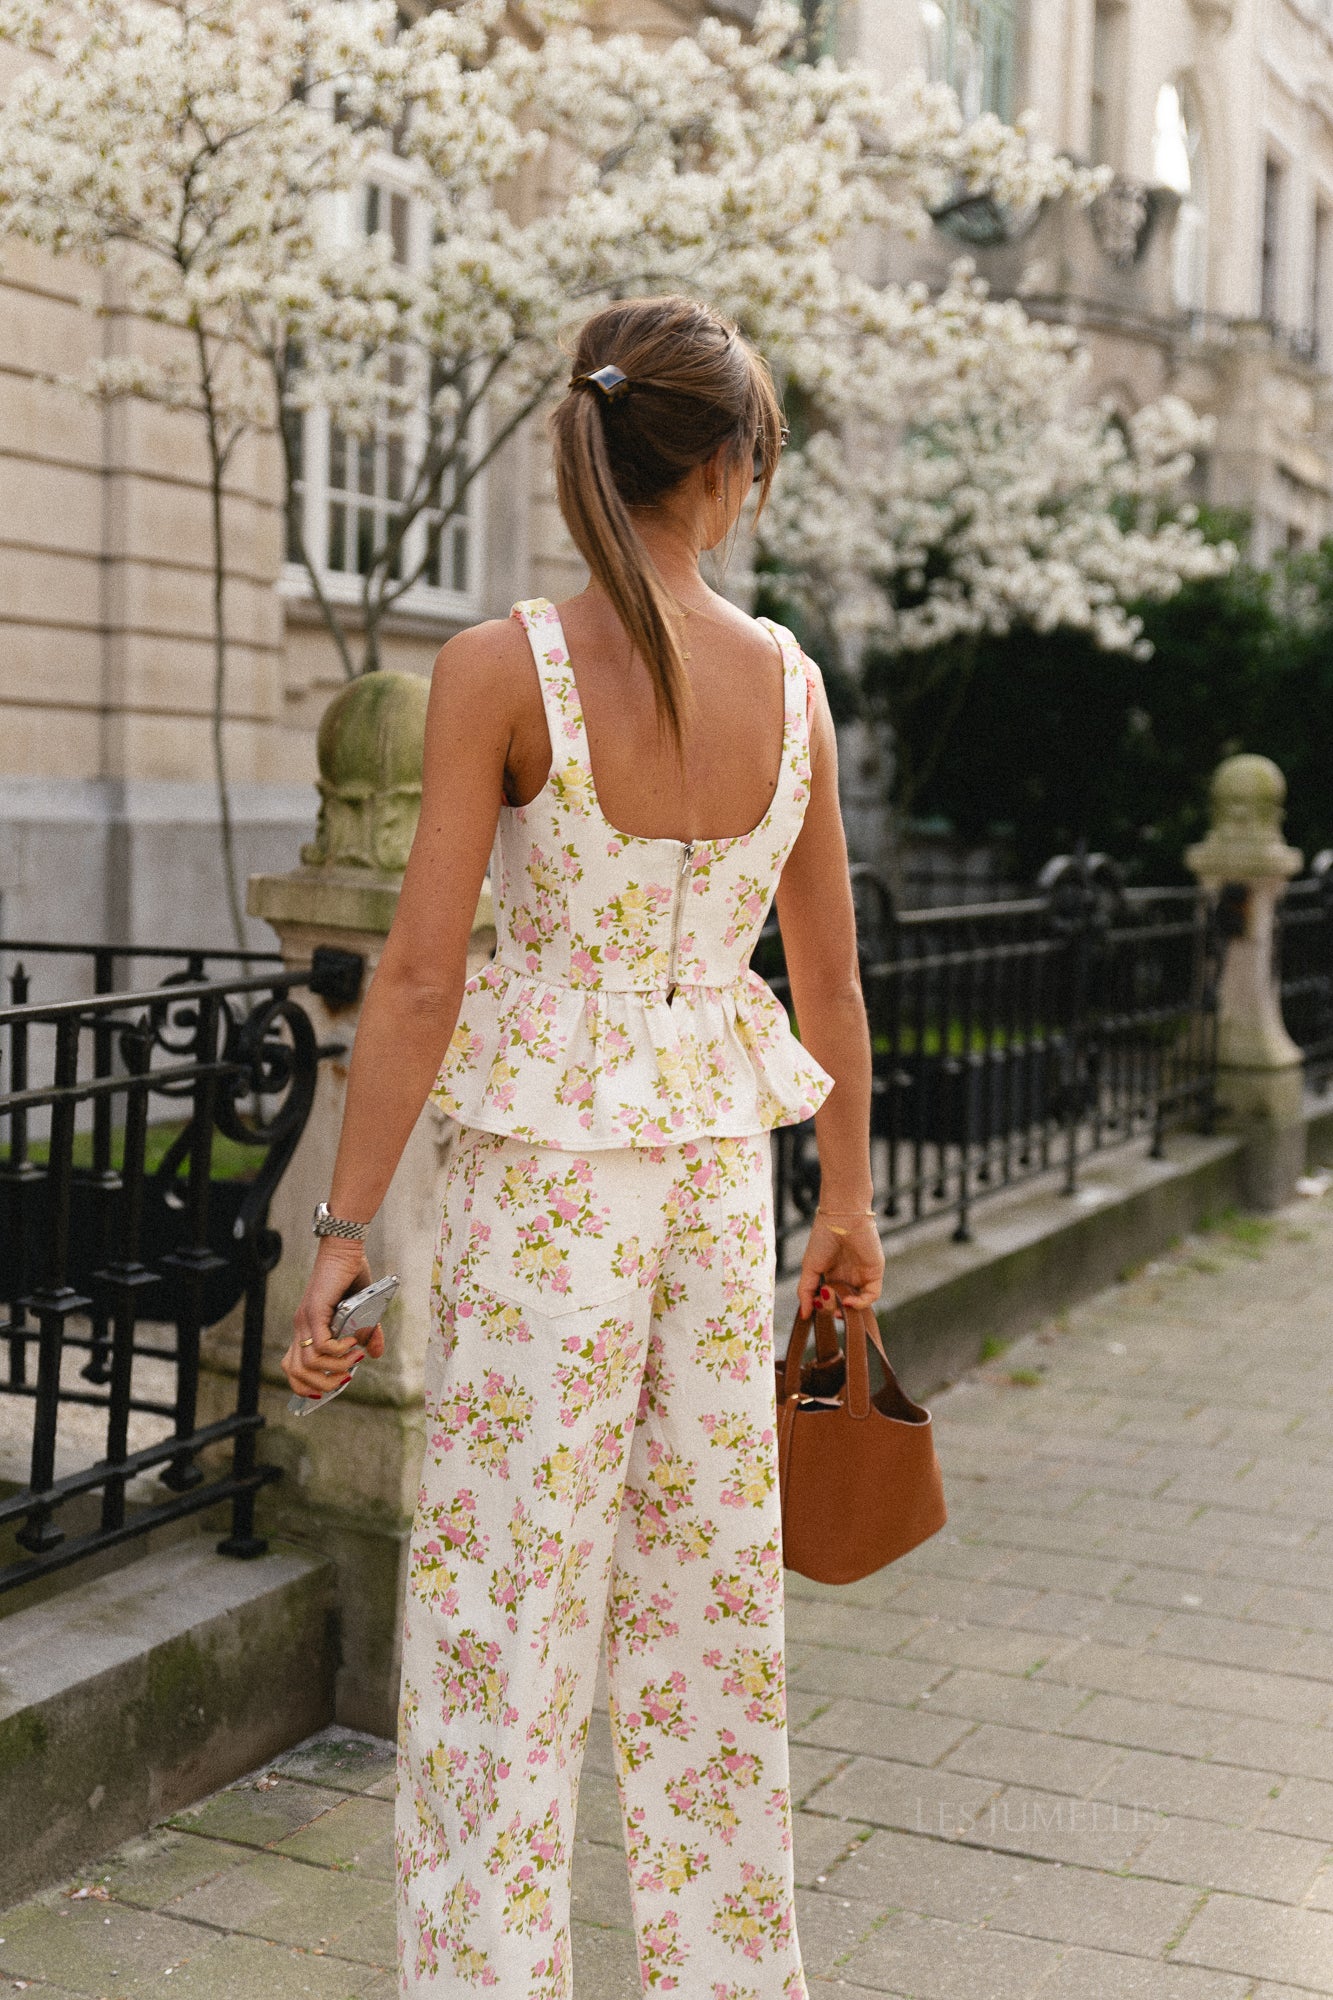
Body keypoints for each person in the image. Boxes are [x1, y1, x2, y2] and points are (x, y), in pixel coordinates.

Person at [282, 293, 884, 2000]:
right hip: (713, 1180)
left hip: (544, 1176)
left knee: (505, 1614)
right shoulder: (792, 685)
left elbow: (416, 977)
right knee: (707, 1618)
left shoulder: (499, 668)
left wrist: (343, 1229)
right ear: (729, 468)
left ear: (589, 454)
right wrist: (845, 1203)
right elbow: (830, 982)